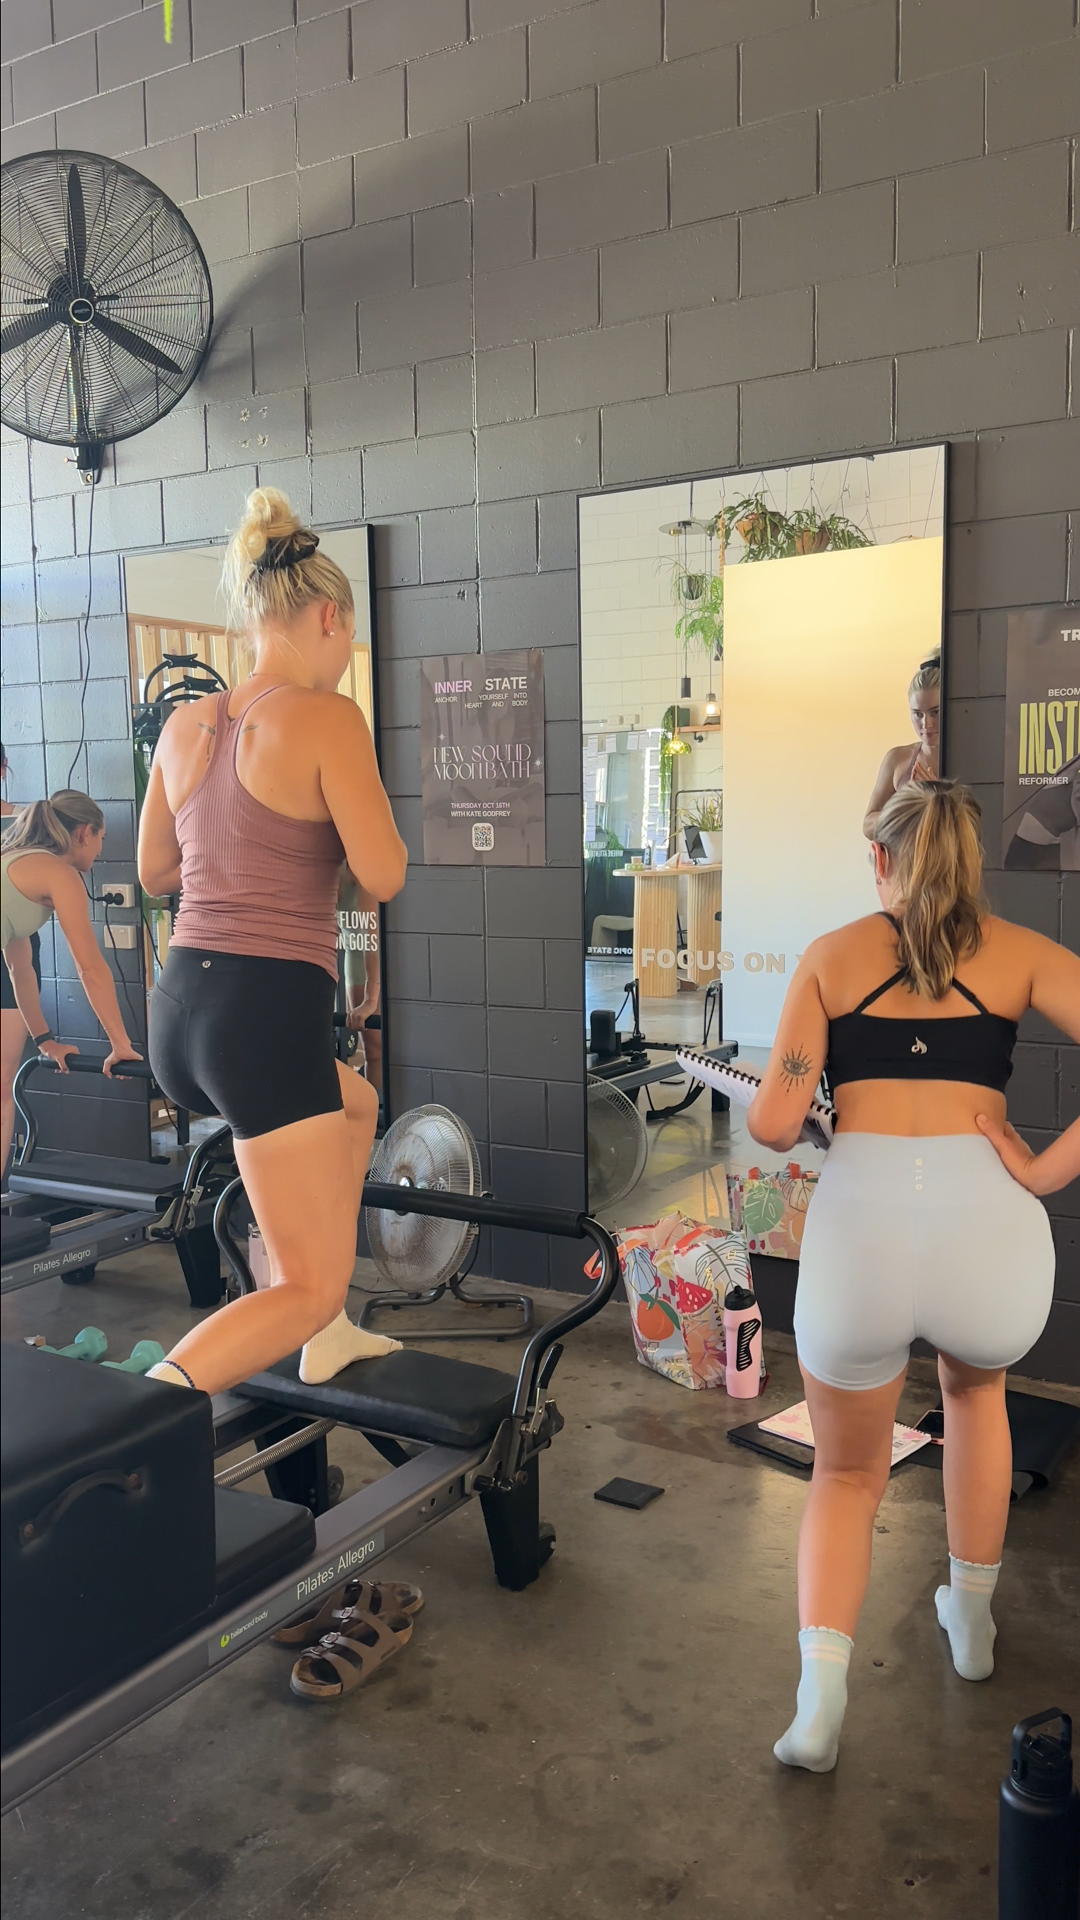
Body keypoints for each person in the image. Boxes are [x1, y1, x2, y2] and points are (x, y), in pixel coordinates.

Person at [747, 779, 1080, 1774]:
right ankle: (969, 1626)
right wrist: (1040, 1170)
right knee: (977, 1402)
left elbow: (770, 1125)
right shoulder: (1021, 953)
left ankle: (820, 1703)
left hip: (863, 1237)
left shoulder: (832, 957)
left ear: (882, 862)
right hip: (994, 1238)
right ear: (970, 865)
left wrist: (812, 1100)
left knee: (847, 1476)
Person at [137, 488, 408, 1398]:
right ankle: (145, 1420)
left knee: (357, 1105)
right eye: (348, 645)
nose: (344, 663)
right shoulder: (328, 718)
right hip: (259, 1018)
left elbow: (154, 872)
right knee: (301, 1283)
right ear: (328, 618)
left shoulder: (184, 726)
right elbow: (385, 871)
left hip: (180, 1009)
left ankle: (327, 1335)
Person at [2, 790, 143, 1172]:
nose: (99, 850)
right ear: (84, 832)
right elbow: (90, 967)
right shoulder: (59, 874)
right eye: (101, 838)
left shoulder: (13, 863)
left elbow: (21, 969)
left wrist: (45, 1040)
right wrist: (120, 1044)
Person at [863, 651, 941, 838]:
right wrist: (907, 806)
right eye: (918, 714)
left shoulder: (972, 760)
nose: (926, 724)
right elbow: (868, 825)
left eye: (935, 712)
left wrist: (934, 801)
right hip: (904, 866)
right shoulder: (898, 758)